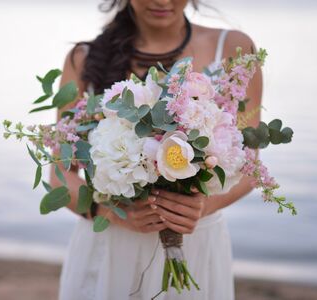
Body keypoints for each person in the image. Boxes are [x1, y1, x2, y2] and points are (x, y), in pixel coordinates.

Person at [51, 0, 262, 299]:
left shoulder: (233, 50)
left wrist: (202, 206)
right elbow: (59, 175)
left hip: (196, 239)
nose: (162, 1)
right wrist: (112, 213)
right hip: (113, 245)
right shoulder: (83, 60)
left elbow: (251, 166)